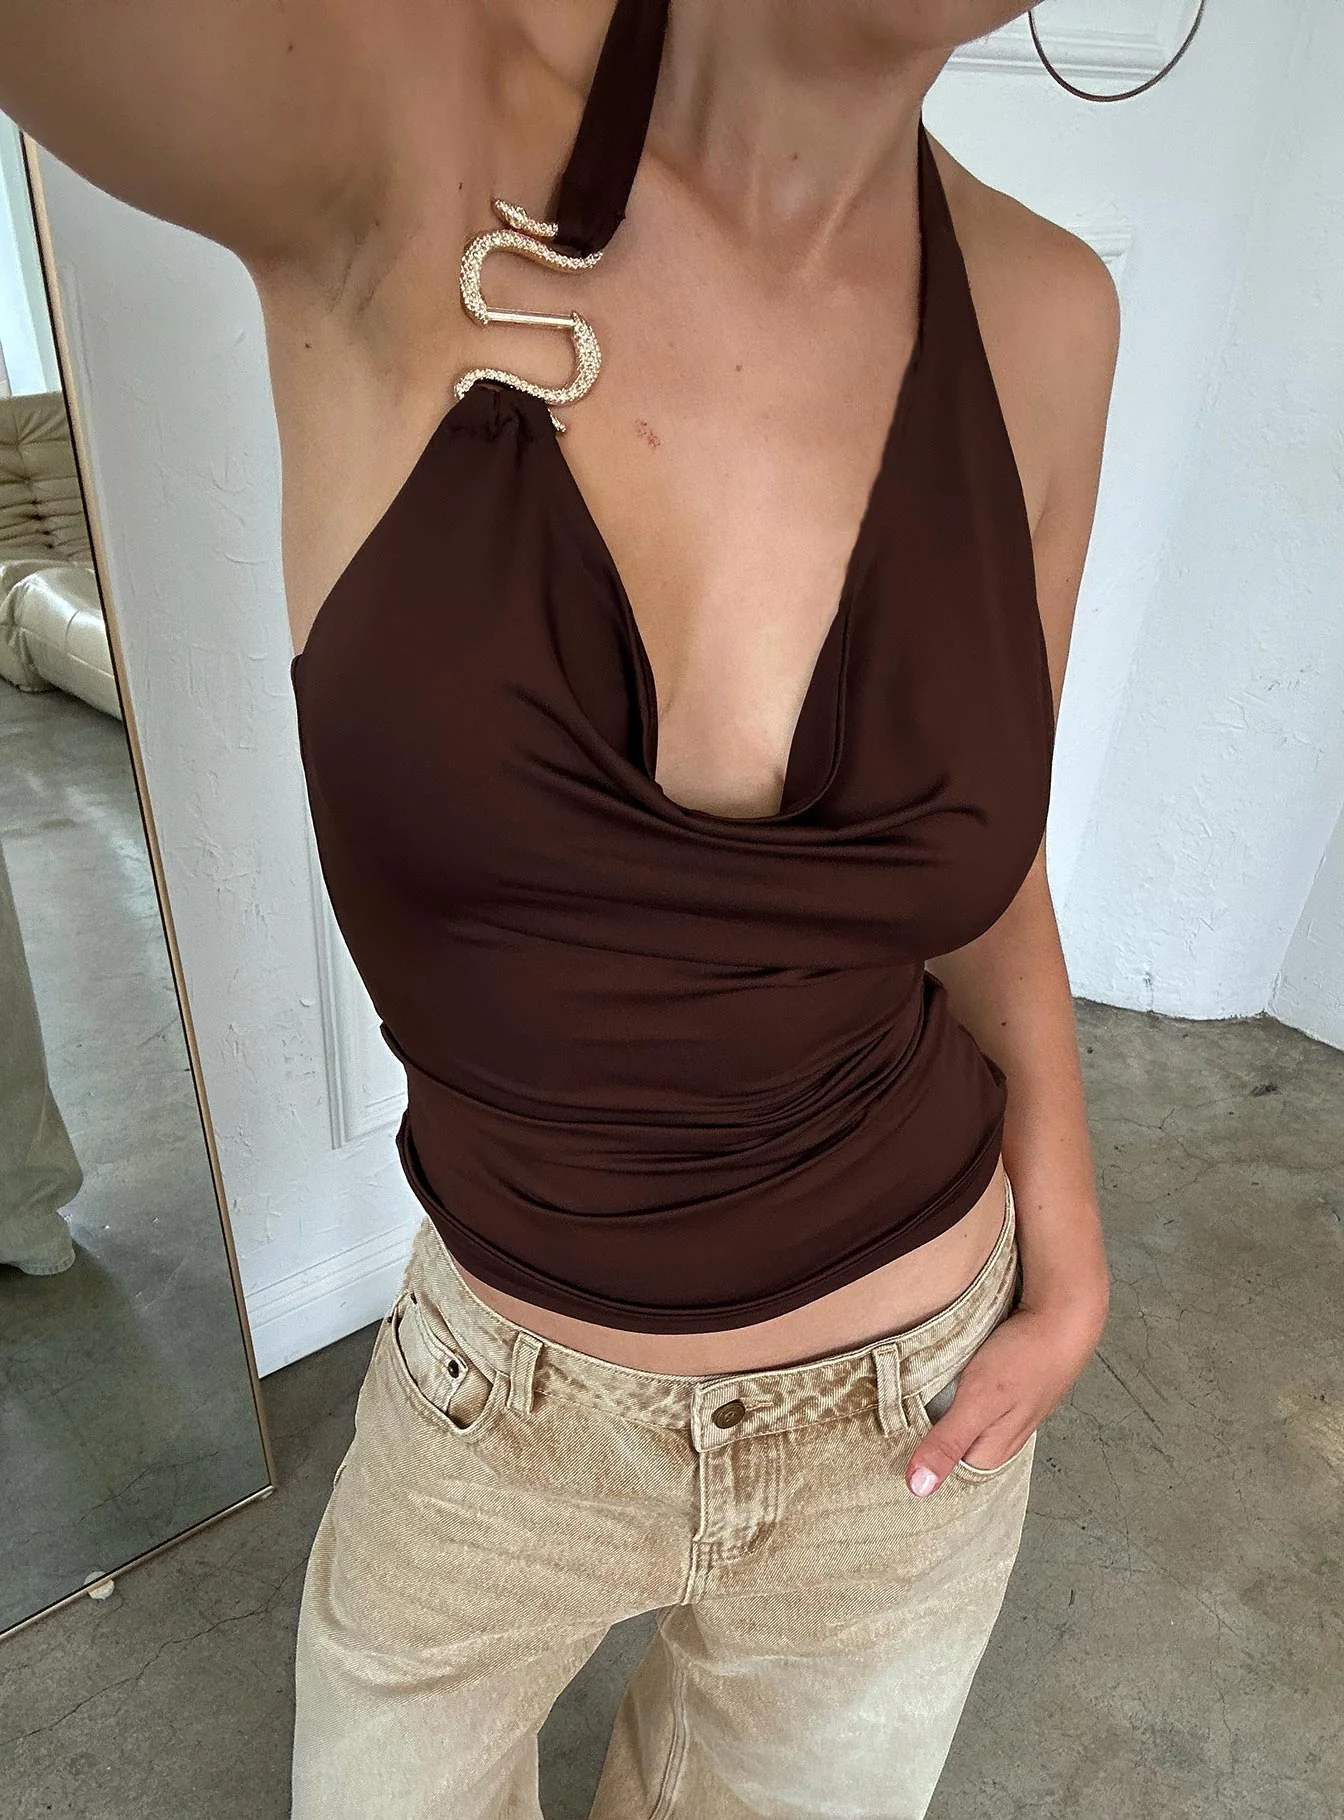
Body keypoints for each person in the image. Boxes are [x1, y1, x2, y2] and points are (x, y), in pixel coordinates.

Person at [2, 3, 1119, 1814]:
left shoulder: (1049, 316)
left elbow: (991, 877)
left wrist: (1068, 1261)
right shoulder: (389, 113)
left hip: (913, 1418)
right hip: (499, 1414)